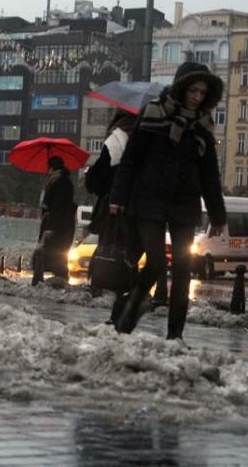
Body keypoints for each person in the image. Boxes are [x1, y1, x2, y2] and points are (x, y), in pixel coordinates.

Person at [110, 61, 227, 344]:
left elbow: (210, 175)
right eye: (193, 90)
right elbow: (131, 159)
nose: (197, 97)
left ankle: (175, 335)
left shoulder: (202, 127)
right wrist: (118, 197)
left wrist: (217, 214)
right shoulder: (152, 113)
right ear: (181, 87)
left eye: (202, 92)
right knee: (156, 262)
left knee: (184, 269)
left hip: (184, 204)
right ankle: (131, 310)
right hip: (148, 199)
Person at [85, 110, 138, 323]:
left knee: (112, 255)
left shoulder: (116, 140)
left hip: (114, 210)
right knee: (127, 258)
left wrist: (91, 174)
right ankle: (122, 309)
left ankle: (117, 312)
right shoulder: (145, 139)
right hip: (137, 209)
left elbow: (97, 180)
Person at [38, 156, 78, 281]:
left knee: (57, 254)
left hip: (58, 226)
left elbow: (57, 206)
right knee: (57, 254)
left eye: (48, 168)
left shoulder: (59, 182)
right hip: (61, 225)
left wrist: (51, 227)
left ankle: (59, 281)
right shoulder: (58, 181)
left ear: (52, 168)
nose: (47, 171)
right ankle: (58, 280)